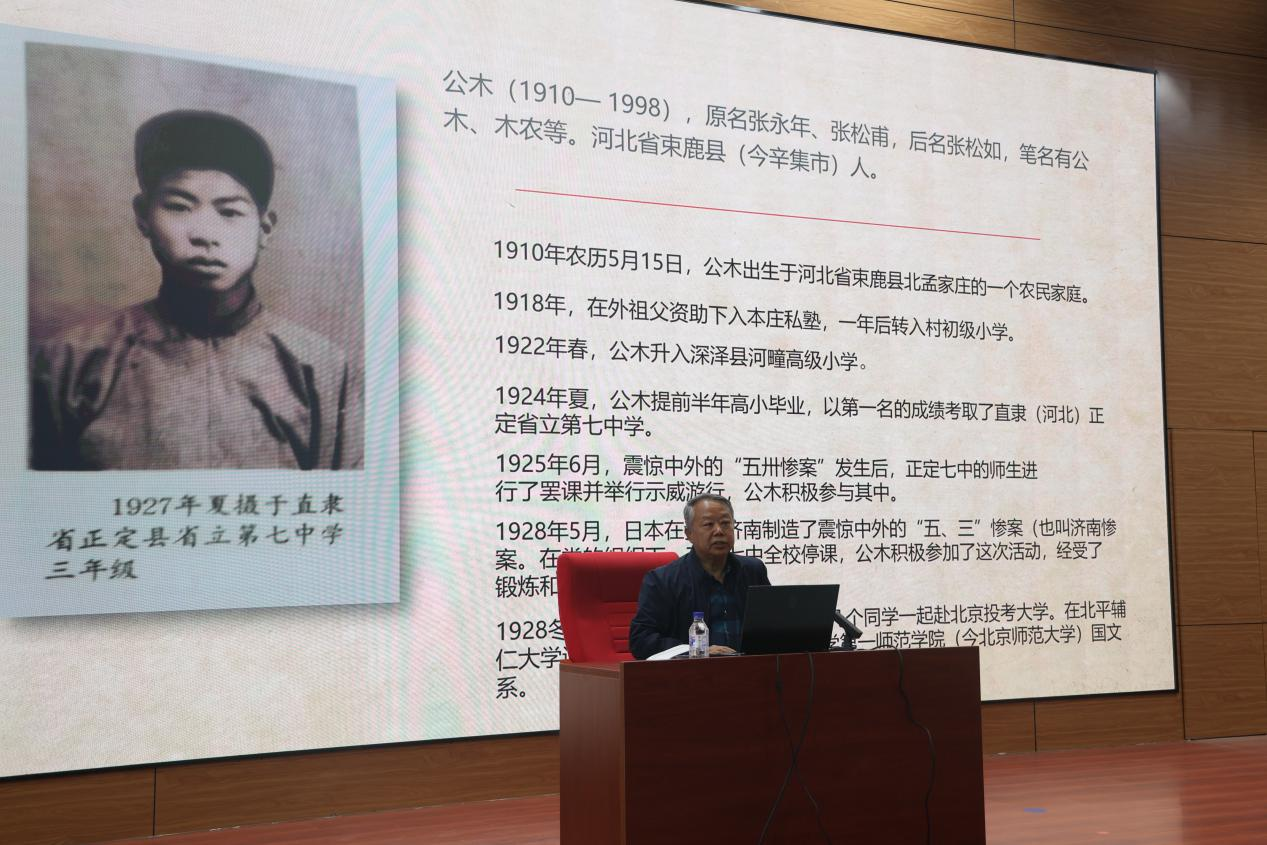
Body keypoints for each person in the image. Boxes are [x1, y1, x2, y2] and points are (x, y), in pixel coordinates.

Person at [30, 110, 362, 470]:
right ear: (143, 215)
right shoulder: (70, 361)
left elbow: (345, 499)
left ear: (264, 228)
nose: (204, 234)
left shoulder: (319, 367)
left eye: (229, 212)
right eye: (178, 207)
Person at [629, 494, 770, 658]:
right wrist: (697, 650)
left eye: (726, 523)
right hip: (693, 670)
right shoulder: (663, 581)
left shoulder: (753, 570)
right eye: (708, 524)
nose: (719, 531)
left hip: (750, 667)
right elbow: (641, 640)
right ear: (689, 534)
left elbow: (771, 626)